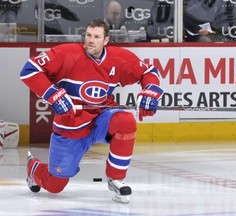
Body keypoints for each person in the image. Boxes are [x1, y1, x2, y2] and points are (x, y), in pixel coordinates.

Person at [19, 18, 163, 204]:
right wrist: (53, 95)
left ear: (106, 40)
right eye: (88, 35)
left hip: (102, 116)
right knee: (55, 185)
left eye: (96, 36)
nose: (91, 40)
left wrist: (150, 92)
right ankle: (33, 167)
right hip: (71, 124)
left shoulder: (119, 59)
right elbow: (29, 70)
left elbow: (149, 72)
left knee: (125, 121)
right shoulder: (66, 53)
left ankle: (116, 179)